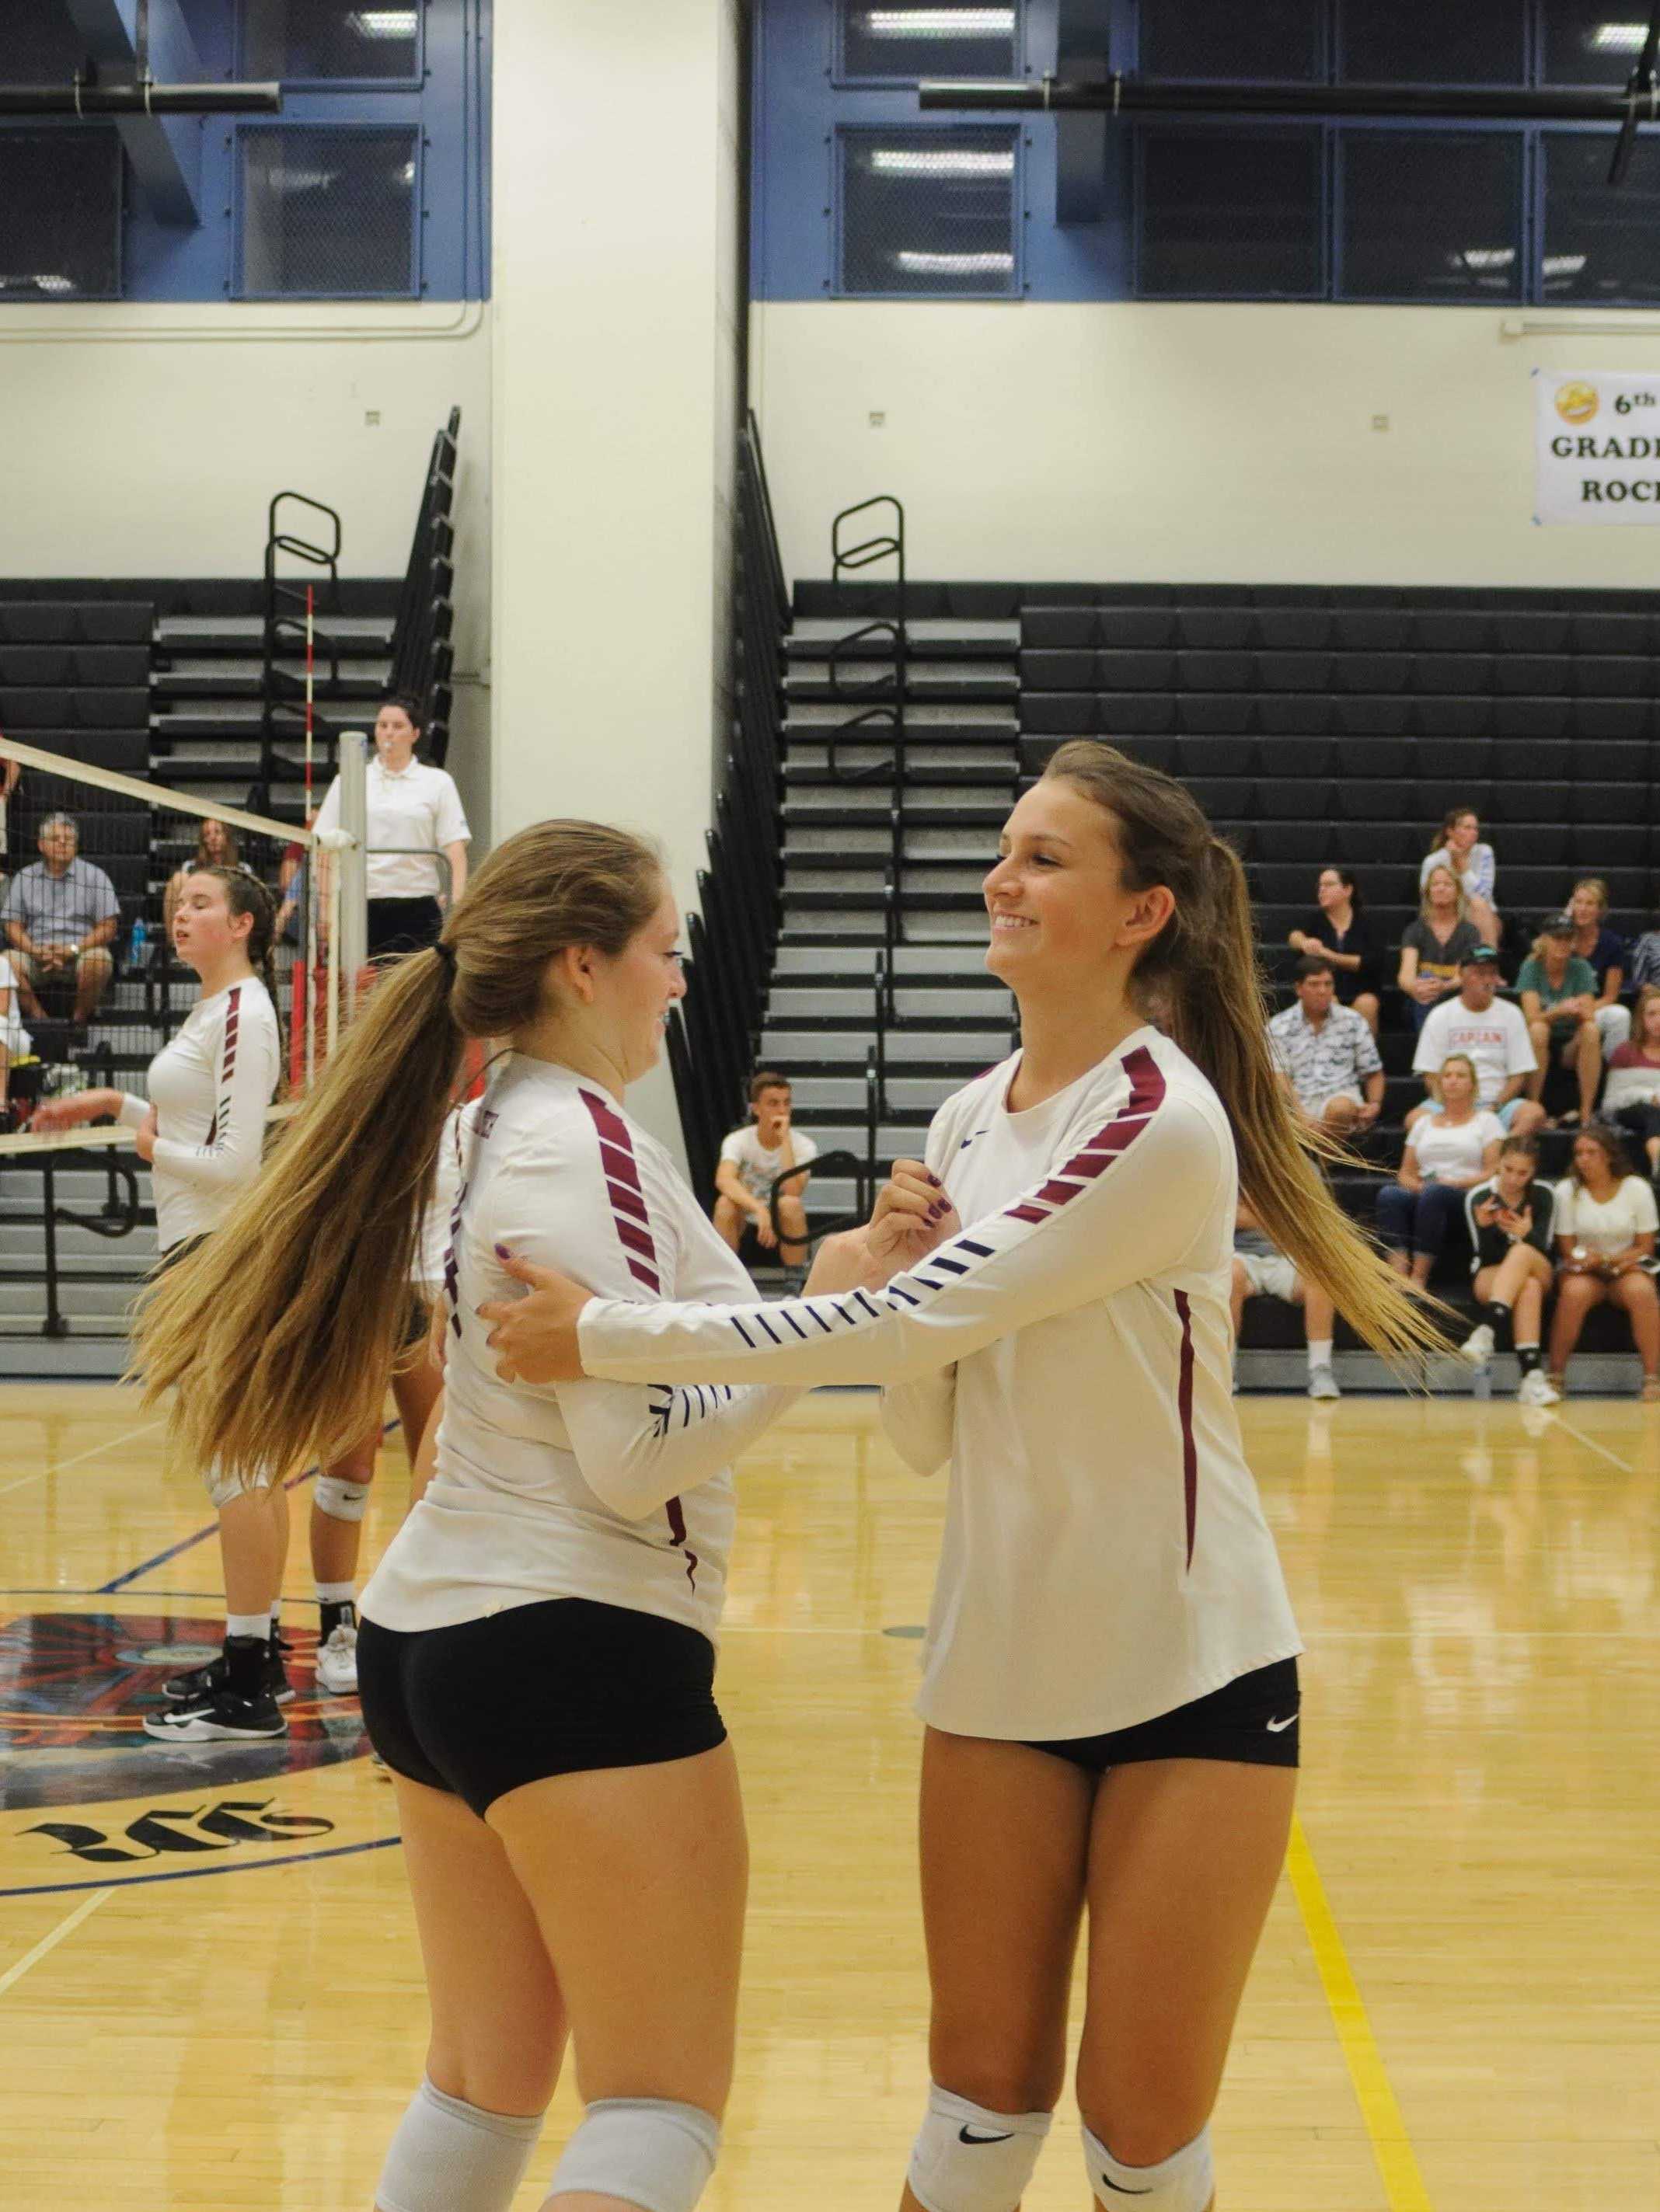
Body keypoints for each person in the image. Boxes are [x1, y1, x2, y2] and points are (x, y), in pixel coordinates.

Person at [475, 740, 1449, 2212]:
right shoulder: (960, 1120)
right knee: (976, 2111)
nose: (1004, 875)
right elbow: (923, 1422)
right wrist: (910, 1274)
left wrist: (603, 1334)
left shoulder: (1158, 1120)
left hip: (1191, 1665)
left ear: (1142, 913)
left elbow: (912, 1318)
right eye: (1006, 846)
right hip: (994, 1665)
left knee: (1139, 2135)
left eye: (1047, 856)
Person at [132, 819, 886, 2212]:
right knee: (657, 2108)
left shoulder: (490, 1129)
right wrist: (821, 1323)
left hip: (442, 1640)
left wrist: (824, 1276)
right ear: (584, 964)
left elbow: (610, 1354)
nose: (679, 980)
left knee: (481, 2087)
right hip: (570, 1641)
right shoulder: (567, 1149)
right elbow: (631, 1459)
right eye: (665, 952)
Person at [33, 866, 285, 1738]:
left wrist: (147, 1149)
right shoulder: (216, 1011)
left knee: (240, 1463)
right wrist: (113, 1102)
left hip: (218, 1249)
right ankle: (256, 1655)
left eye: (203, 904)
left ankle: (250, 1685)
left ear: (245, 923)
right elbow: (187, 1122)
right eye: (178, 904)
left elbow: (235, 1163)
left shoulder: (247, 1015)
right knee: (234, 1462)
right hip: (198, 1246)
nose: (183, 915)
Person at [307, 1109, 457, 1695]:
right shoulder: (368, 1102)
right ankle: (336, 1627)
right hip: (362, 1291)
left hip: (432, 1293)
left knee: (437, 1469)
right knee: (349, 1465)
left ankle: (422, 1623)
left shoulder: (473, 1115)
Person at [314, 693, 470, 962]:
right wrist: (325, 912)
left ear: (415, 733)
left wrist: (457, 906)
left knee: (415, 993)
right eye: (382, 725)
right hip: (360, 904)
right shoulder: (349, 780)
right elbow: (323, 847)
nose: (389, 733)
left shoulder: (437, 782)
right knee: (361, 993)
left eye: (398, 727)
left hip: (417, 904)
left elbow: (455, 848)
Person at [1548, 1124, 1660, 1401]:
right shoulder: (1567, 1190)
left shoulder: (1637, 1188)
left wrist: (1609, 1259)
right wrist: (1593, 1263)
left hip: (1624, 1267)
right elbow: (1568, 1251)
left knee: (1642, 1292)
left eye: (1591, 1153)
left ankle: (1652, 1378)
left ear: (1609, 1155)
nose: (1583, 1159)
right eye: (1579, 1153)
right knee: (1574, 1293)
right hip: (1584, 1271)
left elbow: (1645, 1247)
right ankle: (1555, 1376)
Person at [1376, 1055, 1502, 1287]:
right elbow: (1405, 1172)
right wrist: (1418, 1186)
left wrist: (1457, 1183)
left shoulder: (1487, 1121)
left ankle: (1419, 1276)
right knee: (1389, 1194)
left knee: (1436, 1194)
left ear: (1472, 1084)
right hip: (1427, 1191)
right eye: (1448, 1075)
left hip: (1465, 1195)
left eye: (1460, 1075)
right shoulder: (1424, 1123)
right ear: (1440, 1083)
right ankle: (1399, 1272)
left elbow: (1493, 1171)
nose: (1453, 1081)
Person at [1459, 1137, 1558, 1406]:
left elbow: (1547, 1249)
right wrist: (1488, 1228)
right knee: (1528, 1288)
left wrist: (1528, 1235)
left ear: (1533, 1172)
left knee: (1524, 1253)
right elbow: (1485, 1254)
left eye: (1522, 1173)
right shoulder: (1479, 1197)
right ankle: (1532, 1377)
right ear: (1498, 1165)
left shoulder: (1544, 1195)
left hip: (1539, 1267)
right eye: (1508, 1169)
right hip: (1491, 1274)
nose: (1514, 1179)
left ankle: (1487, 1330)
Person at [1409, 947, 1545, 1137]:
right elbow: (1430, 1075)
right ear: (1462, 976)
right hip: (1450, 1101)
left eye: (1492, 974)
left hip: (1497, 1102)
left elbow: (1518, 1076)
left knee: (1533, 1114)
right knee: (1415, 1119)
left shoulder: (1511, 1014)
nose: (1487, 980)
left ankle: (1497, 1155)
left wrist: (1494, 1106)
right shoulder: (1440, 1015)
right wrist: (1453, 1107)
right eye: (1480, 974)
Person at [1, 812, 119, 1029]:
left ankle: (78, 1022)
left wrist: (73, 949)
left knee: (99, 960)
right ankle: (42, 1022)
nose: (63, 844)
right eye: (56, 839)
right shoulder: (24, 877)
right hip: (36, 954)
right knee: (5, 962)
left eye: (69, 840)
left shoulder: (95, 876)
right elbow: (12, 926)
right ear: (41, 845)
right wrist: (34, 950)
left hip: (79, 953)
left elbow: (109, 927)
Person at [713, 1070, 816, 1291]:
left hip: (781, 1218)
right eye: (773, 1103)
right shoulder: (738, 1140)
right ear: (756, 1108)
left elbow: (793, 1190)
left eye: (786, 1103)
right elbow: (724, 1180)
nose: (782, 1110)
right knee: (725, 1203)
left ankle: (793, 1284)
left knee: (791, 1204)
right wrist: (759, 1210)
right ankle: (725, 1282)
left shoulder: (804, 1146)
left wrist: (784, 1141)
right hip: (747, 1215)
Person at [1230, 1197, 1341, 1400]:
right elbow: (1226, 1216)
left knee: (1320, 1274)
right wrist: (1281, 1214)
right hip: (1241, 1257)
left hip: (1290, 1257)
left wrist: (1250, 1213)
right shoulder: (1231, 1166)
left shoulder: (1305, 1168)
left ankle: (1320, 1369)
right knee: (1229, 1275)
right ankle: (1226, 1371)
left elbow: (1314, 1217)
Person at [1268, 955, 1384, 1137]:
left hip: (1343, 1099)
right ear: (1299, 988)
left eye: (1328, 984)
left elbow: (1373, 1071)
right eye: (1314, 984)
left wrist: (1375, 1104)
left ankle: (1316, 1160)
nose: (1322, 990)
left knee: (1340, 1110)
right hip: (1298, 1100)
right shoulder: (1278, 1025)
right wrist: (1302, 1116)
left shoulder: (1352, 1021)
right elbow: (1279, 1077)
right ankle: (1321, 1159)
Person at [1517, 912, 1602, 1126]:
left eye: (1567, 938)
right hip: (1540, 1040)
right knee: (1539, 1029)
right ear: (1544, 940)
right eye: (1557, 938)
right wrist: (1558, 1011)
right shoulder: (1531, 967)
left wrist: (1578, 1011)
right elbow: (1531, 1017)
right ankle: (1534, 1105)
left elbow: (1589, 1013)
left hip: (1569, 1044)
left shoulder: (1580, 967)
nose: (1562, 944)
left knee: (1591, 1030)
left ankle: (1586, 1112)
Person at [1287, 866, 1381, 1033]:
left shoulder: (1366, 922)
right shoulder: (1316, 920)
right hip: (1327, 988)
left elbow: (1371, 961)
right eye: (1320, 886)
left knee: (1368, 1003)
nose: (1322, 889)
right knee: (1327, 1000)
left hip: (1361, 990)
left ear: (1348, 890)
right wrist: (1305, 942)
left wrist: (1329, 955)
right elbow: (1294, 936)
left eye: (1329, 884)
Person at [1397, 864, 1482, 1033]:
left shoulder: (1469, 932)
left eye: (1447, 884)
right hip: (1421, 997)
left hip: (1456, 995)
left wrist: (1443, 986)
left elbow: (1466, 974)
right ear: (1428, 892)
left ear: (1457, 892)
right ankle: (1428, 1048)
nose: (1441, 888)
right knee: (1426, 981)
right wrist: (1418, 988)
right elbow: (1405, 976)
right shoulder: (1415, 930)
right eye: (1435, 884)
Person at [1565, 876, 1630, 1056]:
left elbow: (1610, 996)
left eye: (1590, 904)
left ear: (1600, 910)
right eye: (1578, 902)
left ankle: (1616, 1074)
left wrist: (1584, 1010)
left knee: (1620, 1015)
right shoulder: (1559, 937)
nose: (1583, 909)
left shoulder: (1612, 943)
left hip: (1594, 1008)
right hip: (1558, 1006)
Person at [1419, 805, 1498, 949]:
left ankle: (1488, 964)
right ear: (1450, 831)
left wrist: (1463, 867)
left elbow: (1485, 896)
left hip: (1484, 915)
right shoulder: (1433, 860)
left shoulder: (1484, 852)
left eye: (1476, 829)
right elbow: (1427, 899)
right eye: (1467, 828)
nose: (1474, 833)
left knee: (1479, 906)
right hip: (1447, 913)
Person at [1602, 984, 1660, 1176]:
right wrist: (1648, 1095)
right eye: (1651, 1014)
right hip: (1631, 1112)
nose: (1658, 1020)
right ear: (1641, 1019)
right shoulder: (1626, 1052)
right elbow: (1610, 1103)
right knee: (1652, 1112)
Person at [162, 817, 251, 934]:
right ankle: (175, 944)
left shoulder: (243, 869)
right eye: (207, 834)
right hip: (197, 915)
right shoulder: (190, 867)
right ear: (203, 841)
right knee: (178, 879)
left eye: (217, 832)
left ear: (227, 837)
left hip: (227, 918)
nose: (213, 838)